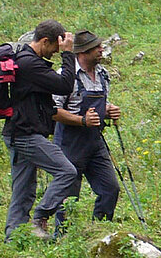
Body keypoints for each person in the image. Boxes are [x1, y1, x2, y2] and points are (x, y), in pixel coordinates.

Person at [3, 19, 80, 241]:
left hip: (18, 133)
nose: (56, 53)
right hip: (25, 134)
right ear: (45, 41)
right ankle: (40, 217)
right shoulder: (29, 64)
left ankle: (13, 241)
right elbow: (65, 85)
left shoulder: (26, 62)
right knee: (66, 171)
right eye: (55, 48)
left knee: (23, 191)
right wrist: (68, 54)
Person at [52, 30, 121, 231]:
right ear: (83, 52)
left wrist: (108, 110)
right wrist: (82, 120)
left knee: (110, 189)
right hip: (69, 143)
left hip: (95, 141)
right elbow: (53, 111)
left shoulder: (103, 74)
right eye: (96, 47)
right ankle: (64, 239)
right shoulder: (65, 76)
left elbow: (99, 105)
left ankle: (100, 232)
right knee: (68, 196)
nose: (102, 50)